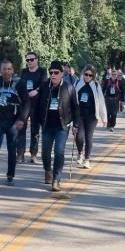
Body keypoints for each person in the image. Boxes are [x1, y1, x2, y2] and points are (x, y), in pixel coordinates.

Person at [34, 61, 79, 192]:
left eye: (56, 73)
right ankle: (47, 170)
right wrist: (35, 123)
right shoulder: (44, 86)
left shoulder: (69, 87)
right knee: (45, 153)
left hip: (62, 126)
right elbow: (37, 107)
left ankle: (56, 179)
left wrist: (76, 124)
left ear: (62, 74)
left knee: (59, 152)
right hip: (47, 125)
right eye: (51, 72)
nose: (53, 75)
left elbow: (76, 108)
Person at [0, 59, 29, 187]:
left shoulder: (20, 83)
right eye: (4, 69)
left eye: (9, 69)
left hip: (14, 121)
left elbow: (26, 102)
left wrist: (22, 119)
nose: (7, 71)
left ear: (13, 70)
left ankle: (10, 175)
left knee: (11, 148)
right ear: (0, 70)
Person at [16, 51, 48, 164]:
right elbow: (19, 85)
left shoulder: (42, 71)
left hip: (37, 104)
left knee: (35, 130)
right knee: (21, 129)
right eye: (27, 60)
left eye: (32, 59)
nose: (29, 62)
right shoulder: (24, 72)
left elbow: (45, 84)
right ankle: (20, 154)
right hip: (24, 104)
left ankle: (33, 154)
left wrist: (36, 91)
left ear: (36, 60)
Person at [73, 66, 108, 168]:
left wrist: (104, 118)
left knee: (89, 137)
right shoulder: (77, 84)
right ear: (83, 74)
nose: (87, 77)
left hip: (92, 117)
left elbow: (101, 102)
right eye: (86, 74)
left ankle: (87, 159)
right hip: (79, 115)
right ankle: (80, 153)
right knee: (79, 137)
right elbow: (72, 100)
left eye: (90, 75)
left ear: (93, 76)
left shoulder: (96, 86)